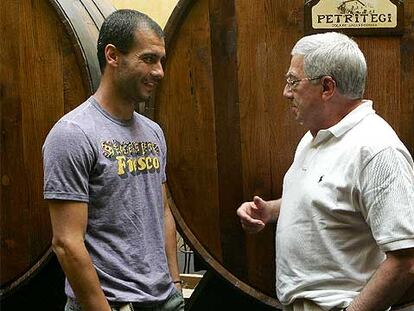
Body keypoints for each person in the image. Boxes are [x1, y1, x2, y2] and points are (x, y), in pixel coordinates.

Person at [237, 32, 414, 311]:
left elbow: (406, 259)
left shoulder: (376, 150)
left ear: (327, 87)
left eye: (293, 81)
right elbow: (331, 198)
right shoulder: (315, 136)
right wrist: (270, 210)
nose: (285, 92)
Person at [43, 9, 184, 311]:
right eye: (148, 59)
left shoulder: (153, 132)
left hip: (164, 301)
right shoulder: (73, 134)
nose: (160, 71)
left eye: (161, 60)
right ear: (112, 56)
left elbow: (162, 211)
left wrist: (174, 284)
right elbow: (67, 243)